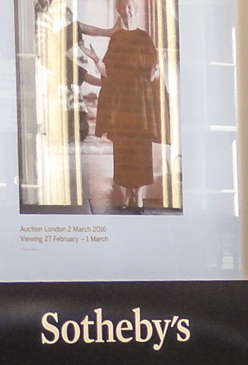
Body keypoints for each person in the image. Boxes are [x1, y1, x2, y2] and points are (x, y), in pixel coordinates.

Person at [81, 0, 167, 213]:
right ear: (119, 12)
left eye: (130, 7)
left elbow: (152, 75)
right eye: (123, 8)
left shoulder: (144, 38)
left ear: (135, 10)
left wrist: (156, 71)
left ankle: (136, 195)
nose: (127, 11)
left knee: (140, 151)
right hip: (122, 106)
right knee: (124, 151)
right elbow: (109, 73)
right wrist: (95, 60)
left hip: (141, 107)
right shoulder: (117, 38)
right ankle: (128, 194)